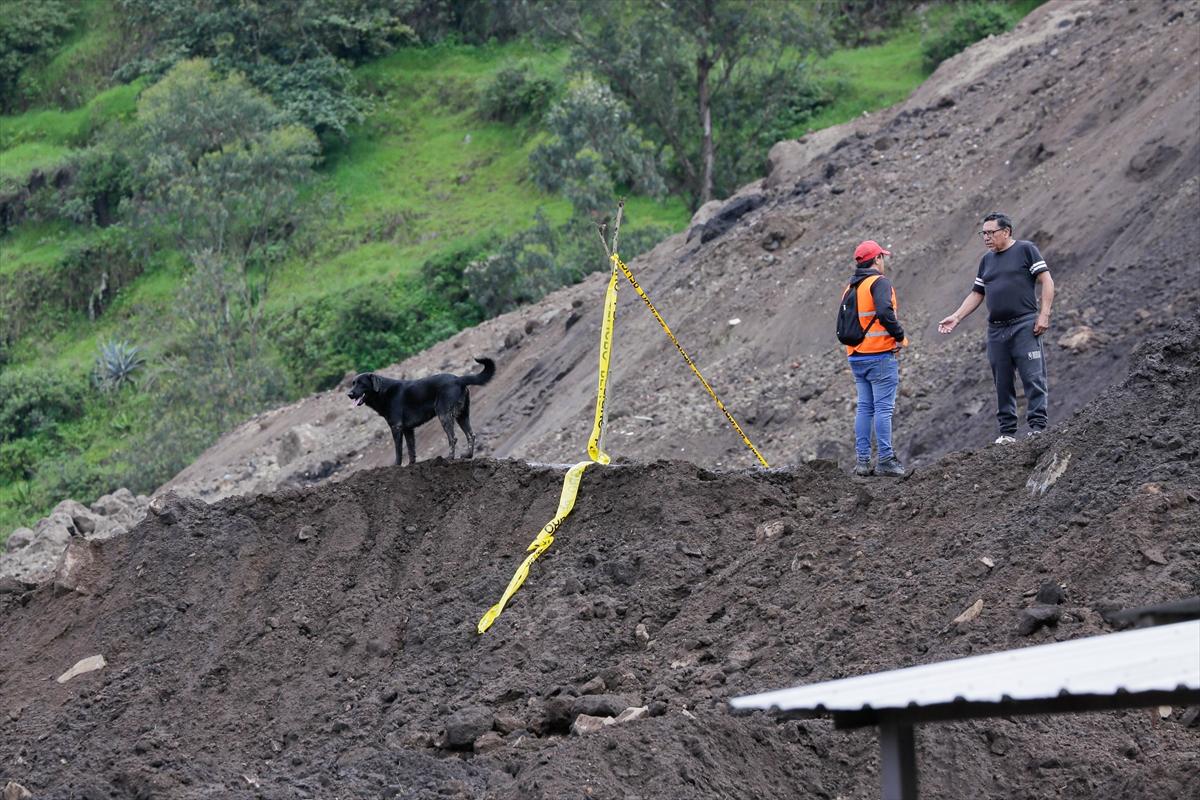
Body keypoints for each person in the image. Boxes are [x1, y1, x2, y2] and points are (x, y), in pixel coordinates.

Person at [937, 212, 1055, 443]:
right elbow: (977, 293)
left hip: (1024, 324)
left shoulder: (1026, 250)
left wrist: (1044, 314)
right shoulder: (986, 260)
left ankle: (1037, 428)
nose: (986, 238)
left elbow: (1047, 280)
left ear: (1006, 231)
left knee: (1032, 376)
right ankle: (1007, 433)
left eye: (991, 233)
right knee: (1002, 381)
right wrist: (957, 317)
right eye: (983, 233)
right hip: (996, 330)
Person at [843, 240, 909, 477]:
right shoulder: (879, 282)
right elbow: (884, 311)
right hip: (879, 355)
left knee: (864, 408)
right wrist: (899, 336)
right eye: (882, 257)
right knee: (883, 409)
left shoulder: (851, 287)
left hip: (856, 356)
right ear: (877, 259)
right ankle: (885, 459)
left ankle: (862, 461)